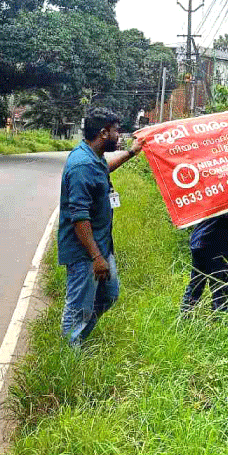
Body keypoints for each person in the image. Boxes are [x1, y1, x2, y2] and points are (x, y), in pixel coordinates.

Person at [58, 107, 146, 345]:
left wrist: (130, 153)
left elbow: (102, 171)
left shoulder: (92, 158)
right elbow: (79, 217)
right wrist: (96, 257)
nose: (120, 135)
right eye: (117, 131)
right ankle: (69, 354)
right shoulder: (82, 165)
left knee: (108, 295)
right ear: (104, 133)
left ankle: (78, 338)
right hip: (85, 251)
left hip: (101, 245)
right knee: (78, 308)